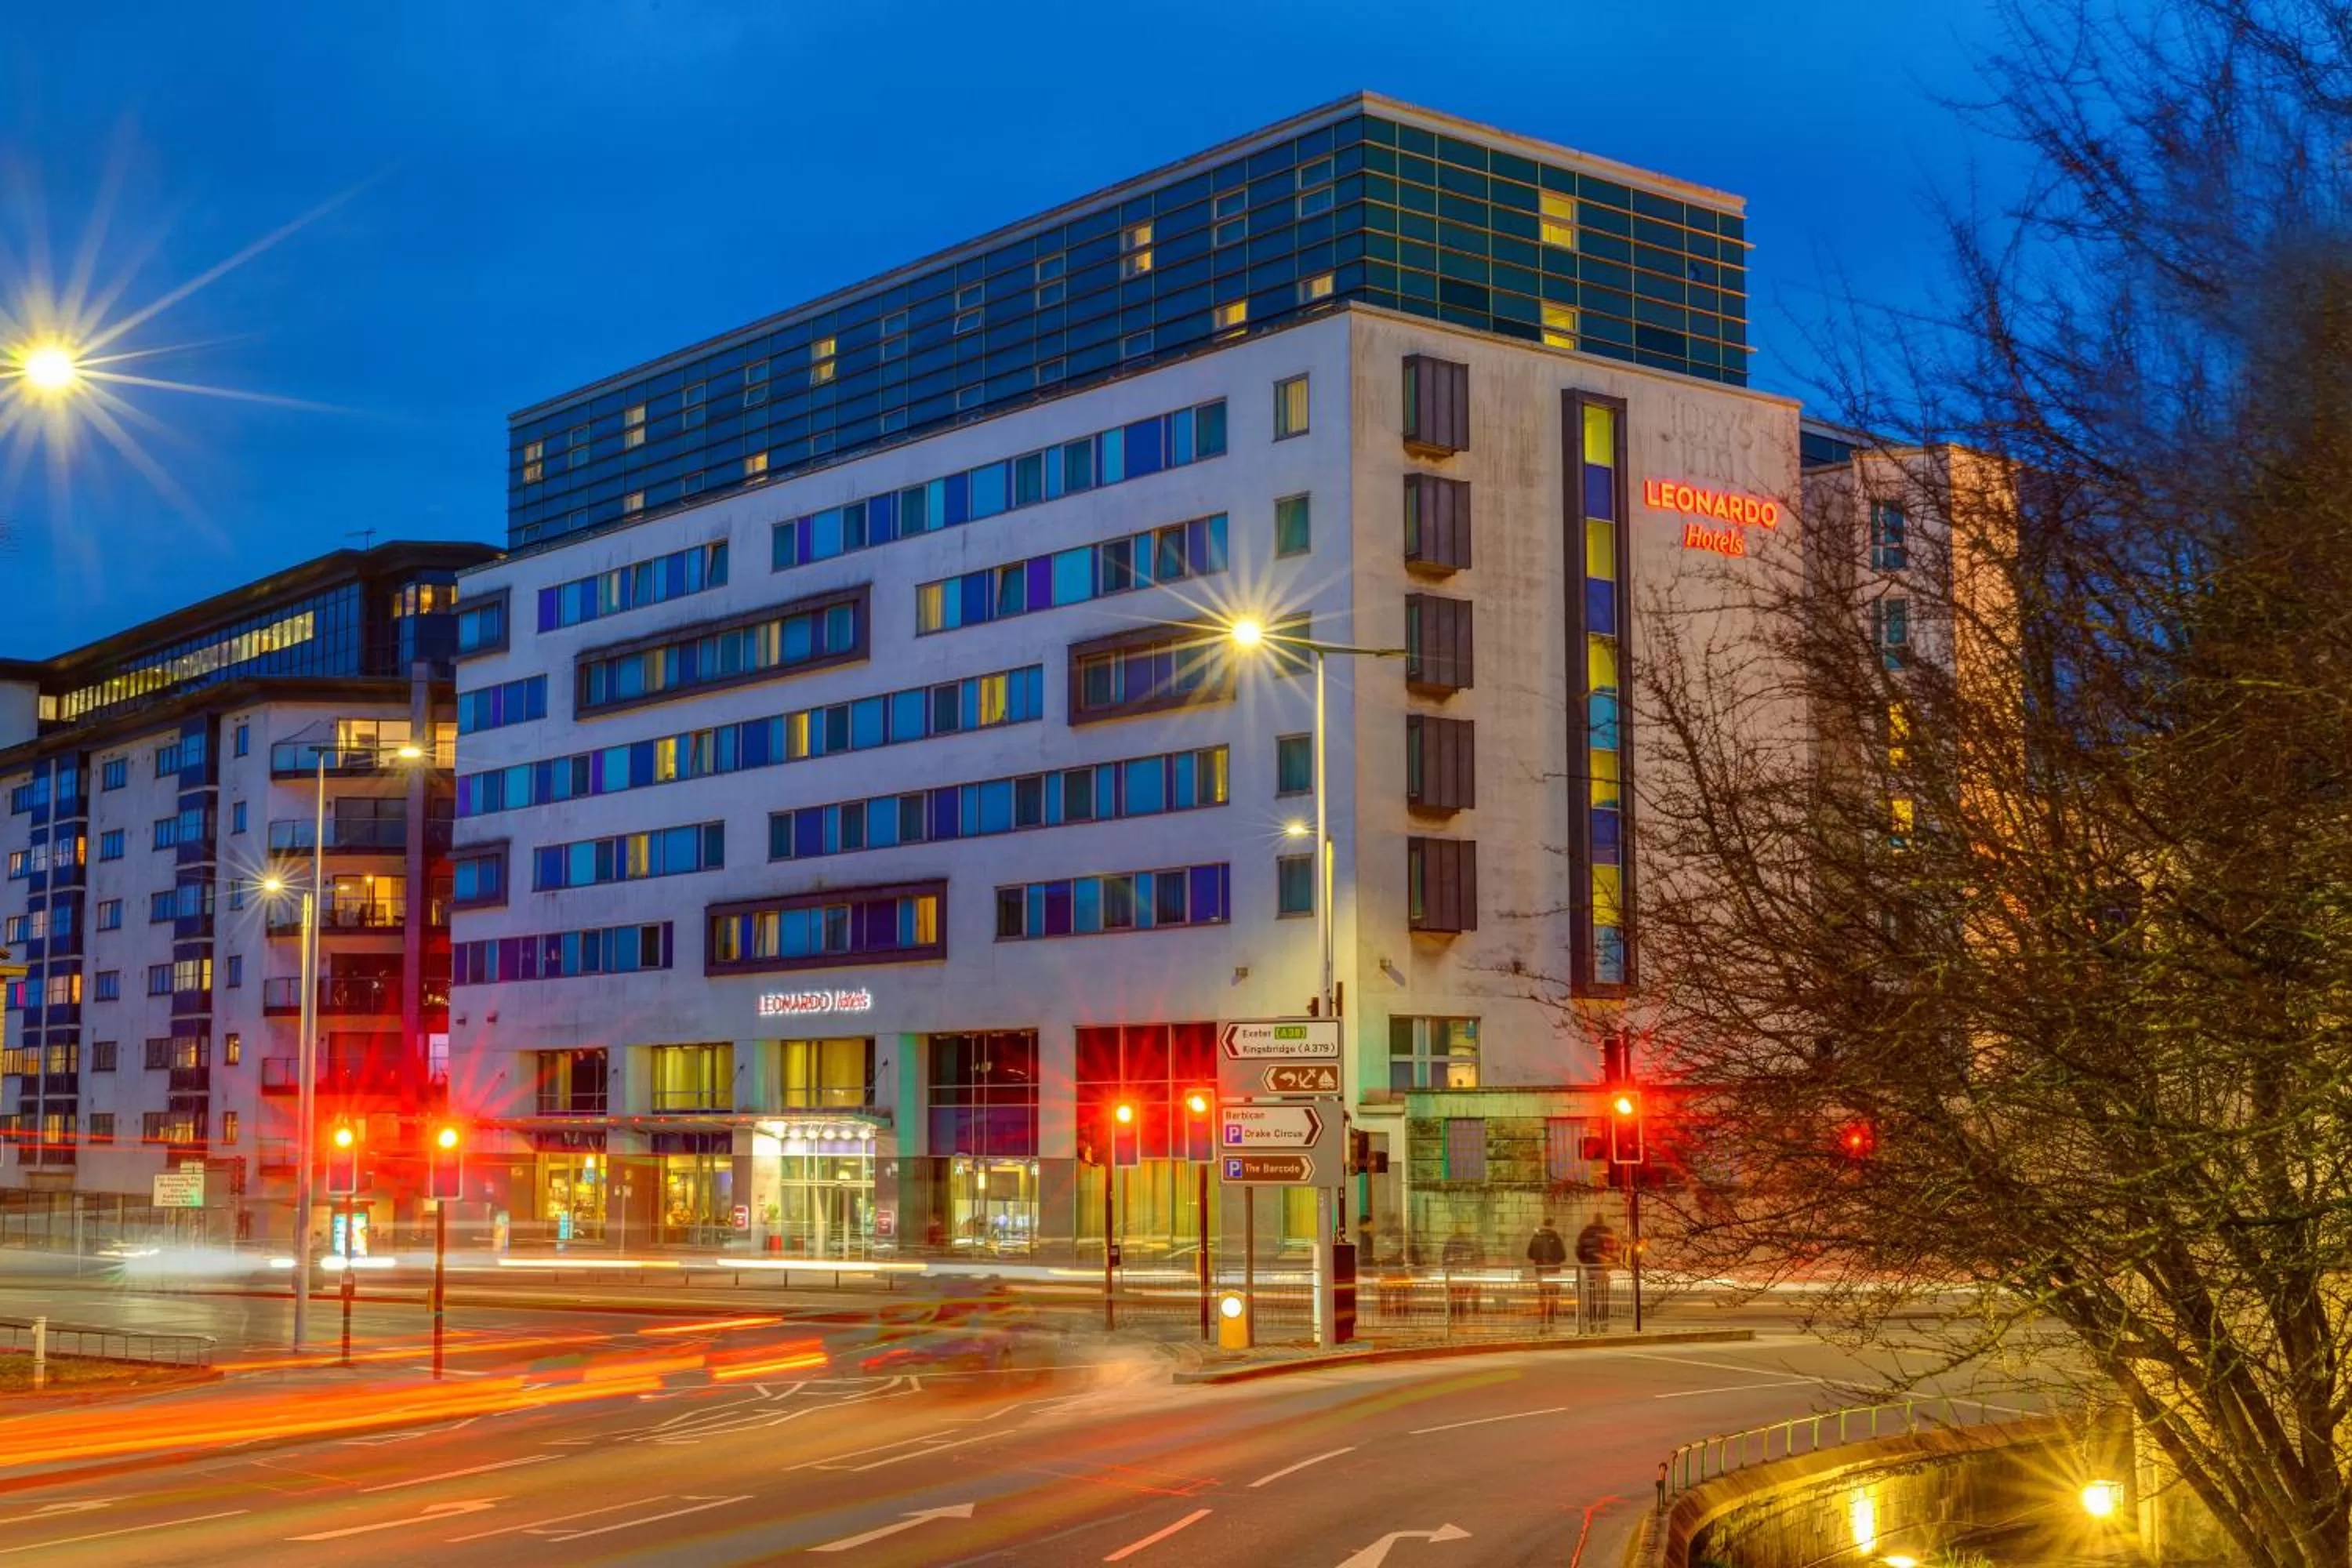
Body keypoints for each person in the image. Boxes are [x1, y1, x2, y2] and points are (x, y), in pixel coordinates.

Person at [1576, 1214, 1622, 1330]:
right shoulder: (1609, 1232)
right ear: (1603, 1220)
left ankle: (1592, 1323)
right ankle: (1604, 1322)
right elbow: (1617, 1249)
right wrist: (1612, 1262)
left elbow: (1579, 1250)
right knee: (1604, 1297)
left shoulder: (1586, 1233)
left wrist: (1586, 1262)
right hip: (1604, 1269)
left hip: (1591, 1268)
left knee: (1592, 1297)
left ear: (1593, 1220)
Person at [1526, 1215, 1568, 1330]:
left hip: (1540, 1271)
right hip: (1554, 1272)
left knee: (1543, 1296)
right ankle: (1551, 1322)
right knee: (1553, 1297)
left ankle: (1542, 1321)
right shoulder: (1556, 1238)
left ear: (1543, 1224)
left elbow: (1530, 1254)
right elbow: (1563, 1256)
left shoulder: (1536, 1237)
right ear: (1553, 1225)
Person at [1441, 1228, 1479, 1322]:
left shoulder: (1450, 1242)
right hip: (1463, 1275)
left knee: (1454, 1299)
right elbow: (1472, 1259)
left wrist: (1447, 1266)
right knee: (1461, 1299)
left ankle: (1453, 1322)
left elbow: (1445, 1258)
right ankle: (1460, 1319)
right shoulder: (1468, 1242)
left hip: (1453, 1275)